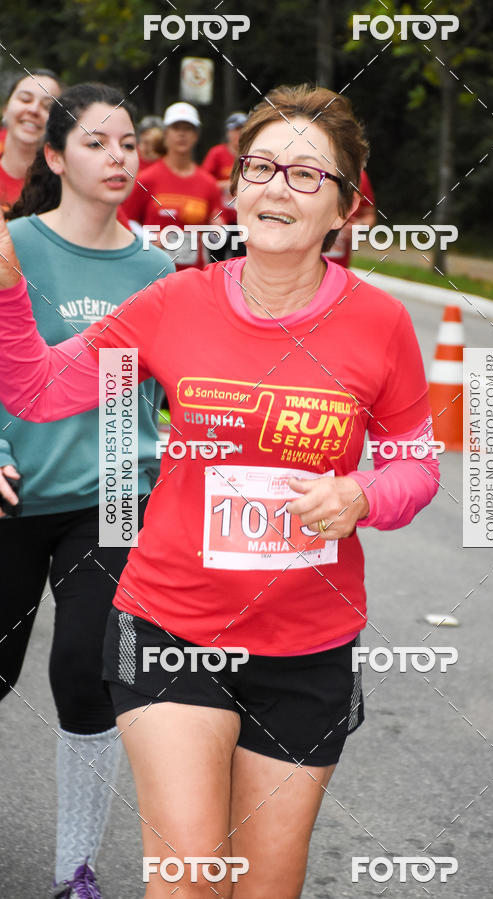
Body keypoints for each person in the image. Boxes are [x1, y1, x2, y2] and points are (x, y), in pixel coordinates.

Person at [0, 83, 439, 898]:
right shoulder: (171, 300)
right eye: (262, 167)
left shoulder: (380, 324)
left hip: (307, 645)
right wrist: (5, 294)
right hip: (172, 625)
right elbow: (37, 390)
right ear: (234, 188)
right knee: (192, 879)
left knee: (265, 886)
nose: (276, 185)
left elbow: (416, 464)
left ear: (345, 206)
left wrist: (362, 497)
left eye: (308, 175)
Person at [0, 82, 174, 898]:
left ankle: (76, 870)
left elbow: (174, 393)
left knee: (85, 670)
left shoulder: (156, 267)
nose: (117, 157)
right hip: (12, 491)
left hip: (111, 496)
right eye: (98, 142)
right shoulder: (15, 245)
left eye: (128, 143)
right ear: (58, 156)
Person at [123, 101, 223, 270]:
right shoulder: (147, 179)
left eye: (188, 128)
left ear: (196, 135)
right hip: (152, 273)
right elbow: (125, 222)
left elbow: (215, 237)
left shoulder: (208, 183)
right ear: (166, 134)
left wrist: (218, 231)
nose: (182, 134)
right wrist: (151, 238)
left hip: (192, 276)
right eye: (176, 128)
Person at [0, 69, 62, 210]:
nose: (34, 109)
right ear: (5, 109)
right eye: (25, 99)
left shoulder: (70, 185)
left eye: (47, 106)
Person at [202, 111, 248, 260]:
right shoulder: (217, 153)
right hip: (220, 217)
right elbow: (204, 182)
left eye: (242, 129)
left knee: (241, 258)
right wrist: (226, 185)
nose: (239, 134)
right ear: (228, 132)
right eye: (235, 130)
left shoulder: (252, 154)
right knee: (216, 258)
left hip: (241, 218)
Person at [324, 168, 376, 268]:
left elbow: (369, 214)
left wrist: (359, 226)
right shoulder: (308, 168)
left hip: (339, 266)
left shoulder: (359, 175)